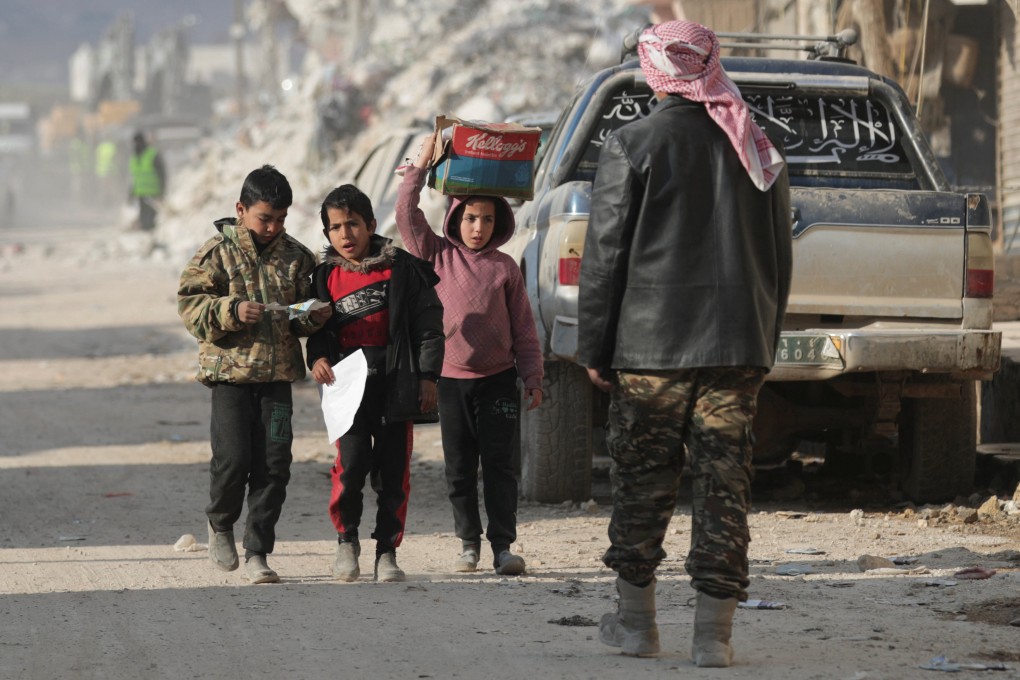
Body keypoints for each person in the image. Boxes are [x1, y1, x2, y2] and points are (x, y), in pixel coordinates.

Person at [577, 20, 792, 667]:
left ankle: (637, 627)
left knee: (644, 482)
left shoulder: (632, 143)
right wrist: (764, 339)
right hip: (737, 348)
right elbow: (780, 259)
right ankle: (713, 640)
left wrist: (595, 346)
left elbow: (604, 257)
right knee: (725, 486)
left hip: (650, 350)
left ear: (653, 70)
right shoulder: (755, 144)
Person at [396, 135, 544, 576]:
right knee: (459, 468)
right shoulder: (436, 256)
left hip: (498, 379)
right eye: (471, 218)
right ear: (455, 219)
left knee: (500, 465)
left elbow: (524, 327)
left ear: (499, 223)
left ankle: (502, 546)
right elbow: (406, 213)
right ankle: (468, 544)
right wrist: (420, 166)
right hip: (451, 380)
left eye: (487, 219)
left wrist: (532, 377)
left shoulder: (505, 268)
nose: (477, 227)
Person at [178, 165, 332, 584]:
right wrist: (230, 310)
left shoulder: (298, 257)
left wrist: (313, 315)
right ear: (241, 209)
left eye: (281, 219)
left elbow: (301, 317)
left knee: (274, 466)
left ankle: (258, 552)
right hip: (230, 378)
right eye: (265, 218)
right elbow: (191, 308)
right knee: (233, 460)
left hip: (277, 381)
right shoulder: (216, 254)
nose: (273, 227)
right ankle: (221, 523)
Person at [306, 184, 445, 583]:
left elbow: (429, 327)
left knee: (393, 471)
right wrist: (316, 357)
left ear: (371, 224)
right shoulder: (324, 276)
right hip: (346, 391)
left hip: (396, 385)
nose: (345, 235)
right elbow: (316, 329)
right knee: (350, 468)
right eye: (335, 227)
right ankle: (346, 541)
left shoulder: (402, 270)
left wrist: (428, 376)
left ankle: (387, 552)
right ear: (327, 234)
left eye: (353, 224)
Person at [128, 130, 166, 231]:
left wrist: (162, 191)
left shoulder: (152, 154)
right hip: (140, 193)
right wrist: (131, 193)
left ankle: (153, 238)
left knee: (152, 221)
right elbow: (135, 177)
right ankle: (145, 240)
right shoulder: (134, 157)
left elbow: (162, 174)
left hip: (153, 193)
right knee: (143, 221)